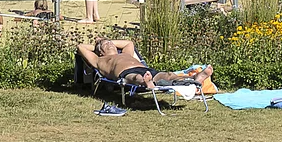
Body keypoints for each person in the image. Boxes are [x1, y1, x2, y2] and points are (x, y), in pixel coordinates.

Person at [75, 37, 215, 92]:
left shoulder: (125, 54)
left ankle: (195, 78)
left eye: (111, 42)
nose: (111, 44)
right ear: (100, 51)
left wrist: (107, 41)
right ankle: (146, 83)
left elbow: (129, 43)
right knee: (135, 78)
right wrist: (98, 43)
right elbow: (81, 47)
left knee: (168, 75)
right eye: (106, 44)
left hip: (144, 69)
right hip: (124, 74)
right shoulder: (99, 60)